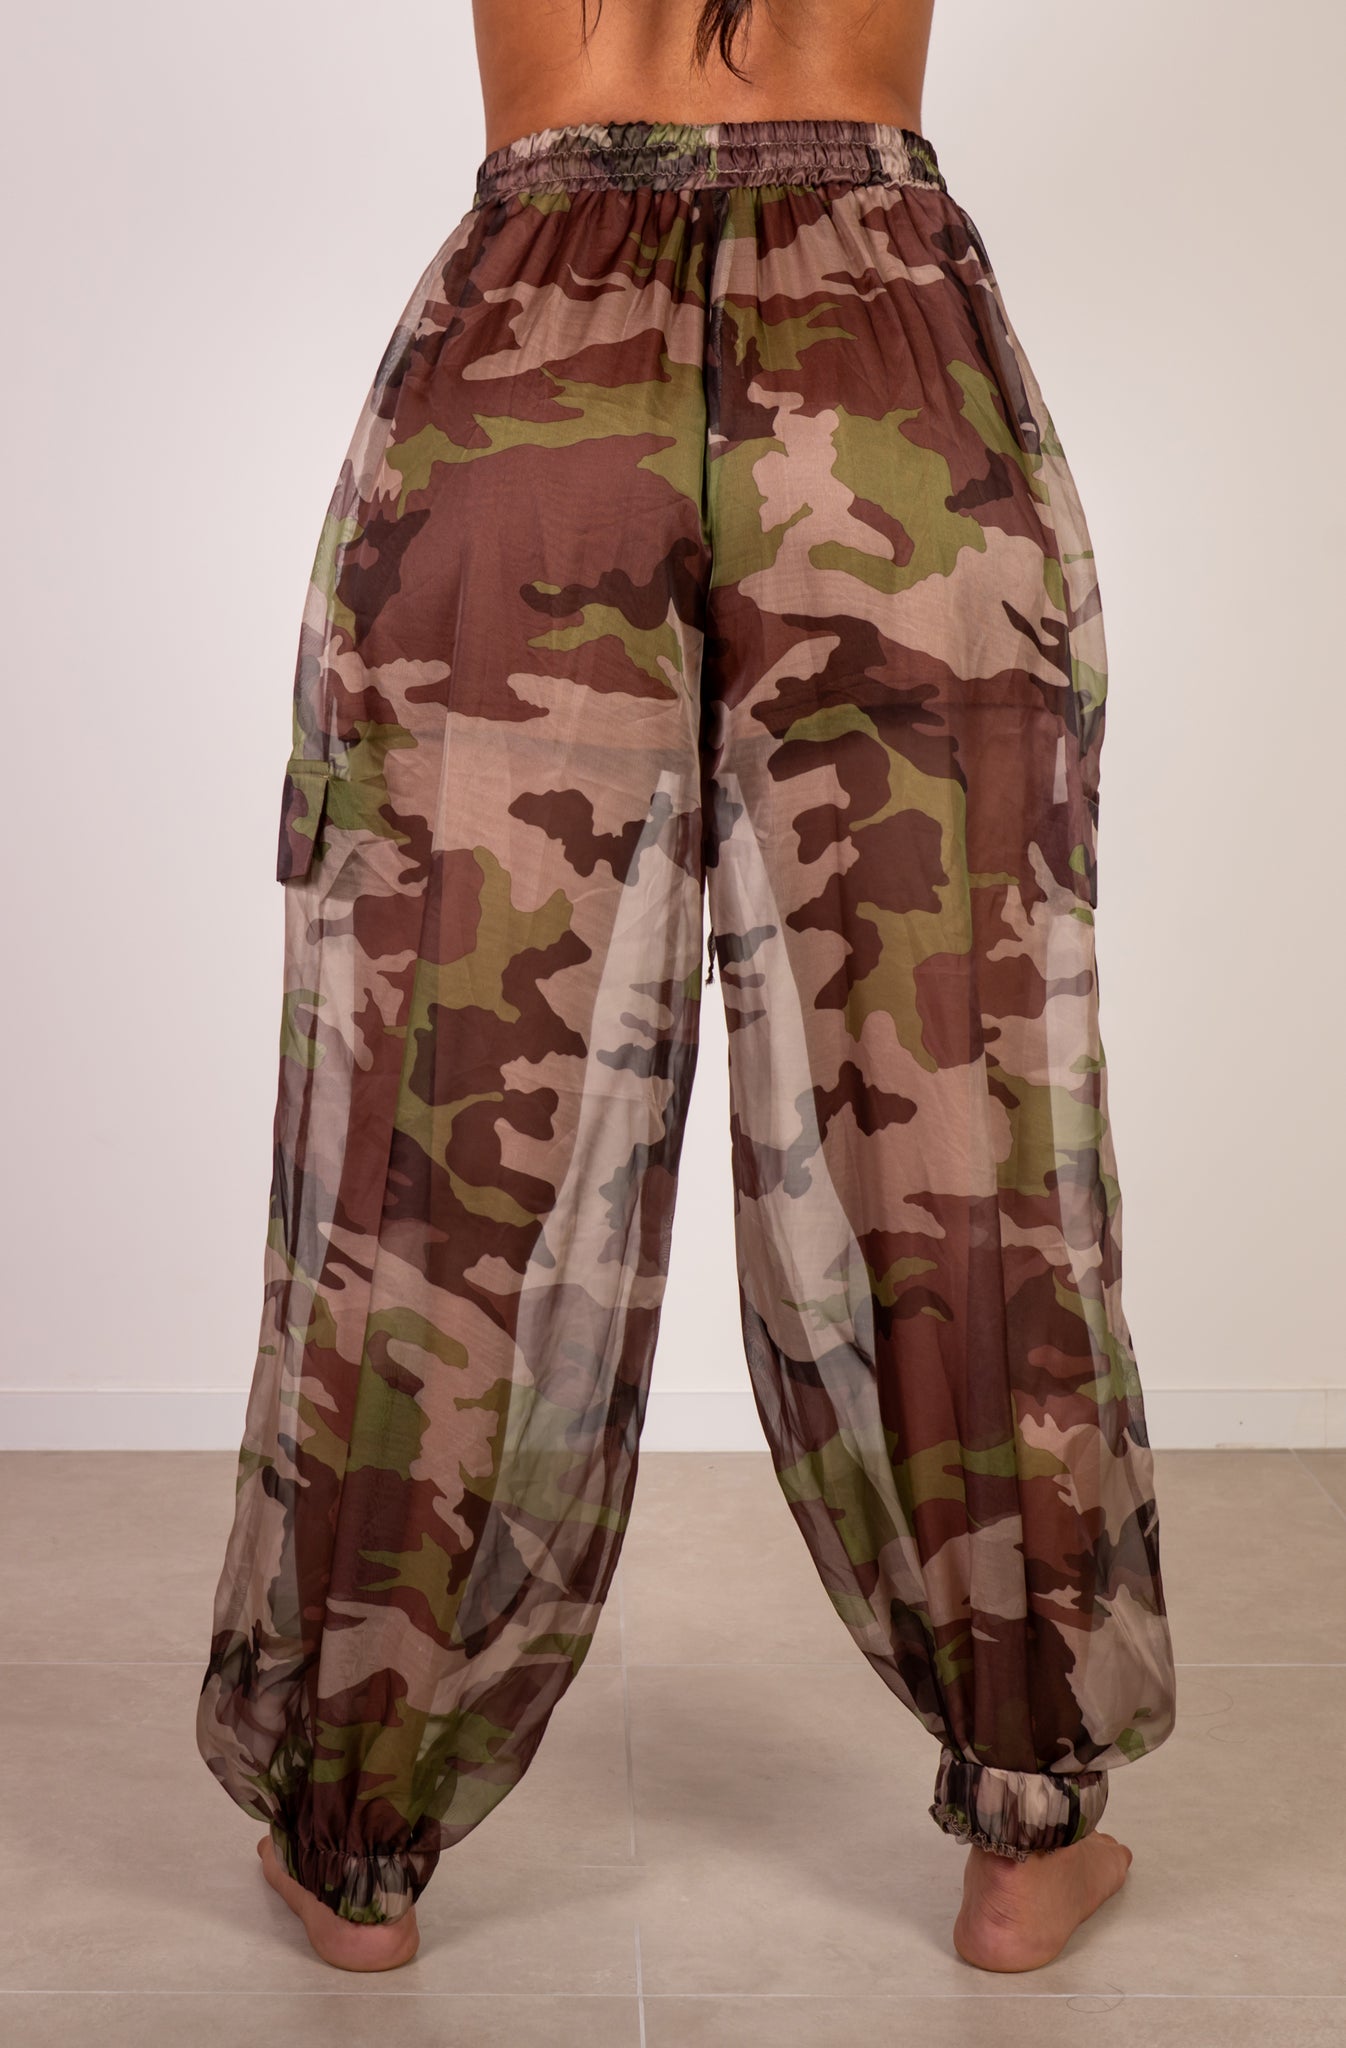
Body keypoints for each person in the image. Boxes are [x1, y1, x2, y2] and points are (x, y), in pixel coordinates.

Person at [196, 0, 1178, 1979]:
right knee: (962, 1123)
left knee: (434, 1121)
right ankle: (1026, 1831)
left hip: (525, 378)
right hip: (889, 368)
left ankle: (357, 1840)